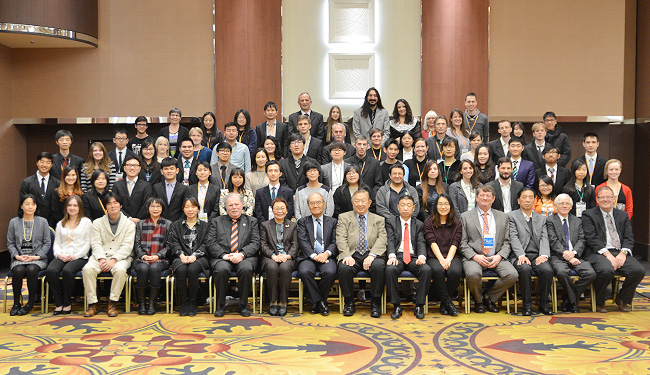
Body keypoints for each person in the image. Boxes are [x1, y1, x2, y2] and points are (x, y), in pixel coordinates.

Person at [582, 186, 644, 313]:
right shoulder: (588, 214)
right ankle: (600, 302)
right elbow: (591, 238)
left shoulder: (622, 215)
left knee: (638, 270)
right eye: (602, 197)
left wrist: (623, 253)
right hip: (598, 252)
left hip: (619, 251)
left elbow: (628, 237)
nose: (605, 199)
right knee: (606, 270)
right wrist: (608, 255)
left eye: (608, 197)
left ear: (614, 198)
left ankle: (622, 298)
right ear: (597, 199)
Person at [460, 185, 518, 313]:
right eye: (482, 195)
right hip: (474, 257)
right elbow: (462, 243)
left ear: (493, 199)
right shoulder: (465, 216)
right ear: (476, 198)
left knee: (512, 275)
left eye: (488, 196)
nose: (485, 198)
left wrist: (499, 256)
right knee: (473, 274)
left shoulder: (503, 217)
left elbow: (507, 241)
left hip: (496, 256)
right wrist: (475, 256)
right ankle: (478, 300)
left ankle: (490, 297)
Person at [82, 192, 136, 317]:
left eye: (115, 203)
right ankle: (92, 303)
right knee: (87, 269)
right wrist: (101, 259)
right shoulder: (97, 223)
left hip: (121, 257)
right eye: (109, 203)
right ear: (105, 206)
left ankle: (112, 302)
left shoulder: (129, 224)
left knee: (120, 270)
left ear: (120, 205)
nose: (112, 206)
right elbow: (96, 244)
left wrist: (114, 260)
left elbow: (127, 246)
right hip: (100, 256)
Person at [336, 189, 387, 317]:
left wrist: (372, 255)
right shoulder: (344, 217)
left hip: (372, 253)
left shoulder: (379, 219)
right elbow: (340, 238)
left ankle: (375, 303)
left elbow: (382, 239)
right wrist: (347, 255)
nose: (360, 204)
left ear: (369, 203)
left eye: (363, 201)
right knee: (344, 268)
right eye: (357, 201)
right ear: (352, 203)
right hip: (352, 253)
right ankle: (349, 302)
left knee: (379, 267)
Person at [209, 193, 260, 317]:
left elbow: (255, 242)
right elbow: (210, 242)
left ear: (242, 205)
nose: (234, 207)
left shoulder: (251, 221)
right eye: (230, 205)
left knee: (246, 269)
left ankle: (243, 305)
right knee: (221, 269)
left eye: (237, 204)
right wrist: (223, 255)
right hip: (223, 257)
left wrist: (242, 254)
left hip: (245, 256)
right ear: (225, 207)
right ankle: (220, 305)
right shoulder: (216, 221)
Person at [547, 193, 596, 313]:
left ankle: (569, 298)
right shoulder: (550, 220)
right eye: (561, 203)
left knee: (590, 273)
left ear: (571, 206)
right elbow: (553, 241)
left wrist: (573, 253)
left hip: (576, 255)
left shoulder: (577, 221)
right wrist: (566, 255)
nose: (564, 206)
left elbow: (582, 239)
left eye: (567, 203)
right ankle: (573, 302)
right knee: (562, 272)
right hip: (558, 256)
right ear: (556, 206)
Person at [508, 188, 553, 316]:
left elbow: (544, 237)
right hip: (519, 255)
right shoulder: (511, 216)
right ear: (518, 200)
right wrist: (521, 255)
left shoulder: (541, 218)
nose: (527, 200)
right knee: (525, 269)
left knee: (547, 270)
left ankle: (544, 304)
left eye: (530, 197)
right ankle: (527, 305)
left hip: (537, 255)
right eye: (524, 197)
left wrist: (544, 255)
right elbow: (513, 237)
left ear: (534, 200)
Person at [385, 195, 430, 320]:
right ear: (398, 207)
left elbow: (421, 242)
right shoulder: (391, 221)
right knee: (390, 269)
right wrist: (392, 255)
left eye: (409, 205)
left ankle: (419, 305)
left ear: (414, 208)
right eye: (402, 205)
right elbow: (390, 240)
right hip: (398, 256)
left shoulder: (419, 224)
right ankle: (396, 305)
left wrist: (422, 256)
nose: (405, 208)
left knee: (426, 270)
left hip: (413, 256)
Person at [45, 195, 91, 315]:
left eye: (75, 205)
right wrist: (58, 255)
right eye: (69, 205)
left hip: (79, 257)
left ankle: (67, 302)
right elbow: (57, 243)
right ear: (66, 208)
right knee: (50, 270)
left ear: (80, 207)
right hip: (63, 255)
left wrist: (75, 256)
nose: (72, 208)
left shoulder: (86, 222)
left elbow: (88, 243)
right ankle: (59, 302)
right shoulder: (61, 223)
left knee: (67, 271)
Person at [7, 194, 51, 316]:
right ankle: (16, 303)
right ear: (21, 206)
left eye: (33, 204)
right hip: (19, 258)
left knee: (32, 269)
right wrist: (17, 256)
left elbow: (47, 243)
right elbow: (10, 243)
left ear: (36, 206)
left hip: (37, 258)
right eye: (27, 204)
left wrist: (37, 256)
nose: (30, 207)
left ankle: (30, 302)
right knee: (18, 270)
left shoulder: (43, 222)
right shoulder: (14, 222)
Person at [168, 197, 210, 316]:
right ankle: (184, 302)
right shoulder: (176, 225)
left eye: (193, 207)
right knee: (181, 270)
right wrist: (181, 254)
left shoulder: (205, 226)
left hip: (200, 258)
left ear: (198, 209)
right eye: (187, 207)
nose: (190, 210)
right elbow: (173, 242)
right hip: (181, 257)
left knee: (192, 269)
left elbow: (207, 243)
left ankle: (192, 302)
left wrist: (195, 255)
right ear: (183, 209)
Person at [298, 193, 338, 316]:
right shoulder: (303, 222)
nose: (315, 205)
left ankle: (315, 302)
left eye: (318, 202)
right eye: (312, 203)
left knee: (330, 272)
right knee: (304, 272)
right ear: (308, 206)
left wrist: (326, 254)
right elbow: (302, 241)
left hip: (327, 256)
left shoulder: (333, 221)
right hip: (309, 257)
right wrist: (314, 256)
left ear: (323, 204)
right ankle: (321, 302)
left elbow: (336, 241)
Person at [423, 193, 463, 316]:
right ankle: (448, 303)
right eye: (440, 204)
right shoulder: (428, 222)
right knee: (437, 270)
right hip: (434, 256)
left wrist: (448, 260)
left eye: (446, 204)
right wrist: (441, 259)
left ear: (450, 206)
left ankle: (444, 303)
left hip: (452, 255)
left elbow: (455, 242)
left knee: (455, 271)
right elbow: (431, 242)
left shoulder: (457, 223)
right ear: (435, 206)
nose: (443, 207)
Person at [133, 197, 172, 315]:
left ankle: (152, 303)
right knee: (143, 268)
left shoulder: (168, 224)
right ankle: (142, 304)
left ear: (162, 208)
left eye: (158, 206)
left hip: (161, 259)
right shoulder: (141, 224)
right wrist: (143, 256)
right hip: (142, 259)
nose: (155, 209)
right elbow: (136, 244)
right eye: (152, 206)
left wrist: (158, 256)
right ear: (148, 208)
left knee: (155, 268)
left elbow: (169, 245)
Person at [260, 197, 298, 316]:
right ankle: (272, 302)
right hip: (270, 257)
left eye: (282, 208)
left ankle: (283, 302)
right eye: (276, 208)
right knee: (272, 268)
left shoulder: (292, 225)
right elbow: (263, 244)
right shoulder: (265, 225)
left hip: (287, 257)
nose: (280, 211)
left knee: (284, 268)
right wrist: (273, 256)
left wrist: (287, 256)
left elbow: (295, 244)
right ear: (272, 210)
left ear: (287, 210)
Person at [111, 155, 153, 224]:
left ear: (139, 169)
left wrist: (138, 219)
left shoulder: (146, 185)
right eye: (129, 165)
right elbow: (115, 204)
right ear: (124, 168)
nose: (132, 168)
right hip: (122, 222)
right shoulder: (117, 185)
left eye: (135, 165)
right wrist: (129, 218)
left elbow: (147, 204)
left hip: (141, 222)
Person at [21, 152, 60, 223]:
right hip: (32, 221)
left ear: (51, 165)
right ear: (37, 163)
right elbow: (23, 203)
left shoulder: (58, 183)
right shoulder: (27, 182)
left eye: (48, 162)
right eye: (42, 162)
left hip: (52, 223)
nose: (44, 165)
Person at [254, 160, 295, 224]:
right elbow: (258, 213)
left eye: (276, 171)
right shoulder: (260, 192)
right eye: (270, 171)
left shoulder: (288, 192)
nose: (273, 173)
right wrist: (266, 226)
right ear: (266, 174)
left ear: (280, 173)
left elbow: (289, 212)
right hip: (264, 228)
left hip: (283, 227)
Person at [152, 157, 190, 222]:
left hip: (178, 225)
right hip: (159, 224)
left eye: (172, 168)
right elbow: (153, 207)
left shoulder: (184, 189)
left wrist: (178, 224)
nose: (169, 171)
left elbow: (186, 209)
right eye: (166, 169)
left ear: (177, 170)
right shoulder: (156, 188)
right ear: (162, 171)